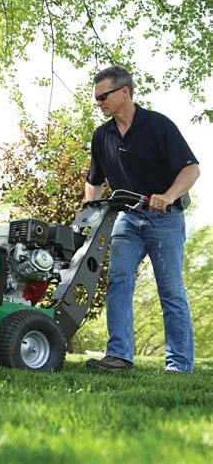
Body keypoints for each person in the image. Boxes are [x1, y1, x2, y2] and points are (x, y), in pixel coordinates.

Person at [84, 66, 200, 373]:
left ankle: (179, 365)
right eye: (96, 98)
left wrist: (170, 194)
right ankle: (119, 356)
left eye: (103, 96)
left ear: (124, 92)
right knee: (118, 282)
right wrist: (89, 204)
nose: (99, 103)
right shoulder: (102, 136)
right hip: (128, 218)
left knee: (171, 291)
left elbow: (191, 170)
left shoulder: (158, 125)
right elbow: (93, 180)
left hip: (165, 219)